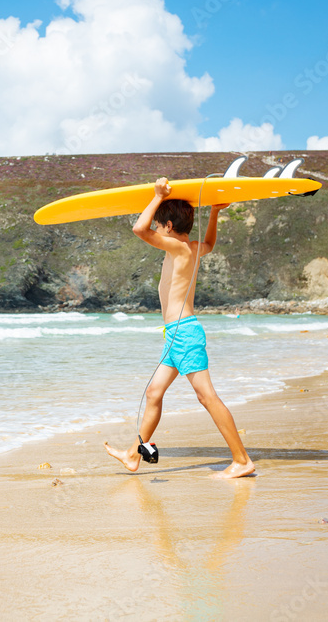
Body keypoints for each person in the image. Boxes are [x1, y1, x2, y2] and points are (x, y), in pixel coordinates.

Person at [105, 177, 255, 479]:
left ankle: (242, 460)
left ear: (169, 227)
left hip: (184, 333)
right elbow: (210, 243)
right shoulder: (192, 248)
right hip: (174, 337)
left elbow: (139, 229)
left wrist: (158, 196)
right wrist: (214, 212)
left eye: (161, 227)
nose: (157, 232)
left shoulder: (178, 248)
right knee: (153, 393)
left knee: (206, 397)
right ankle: (135, 456)